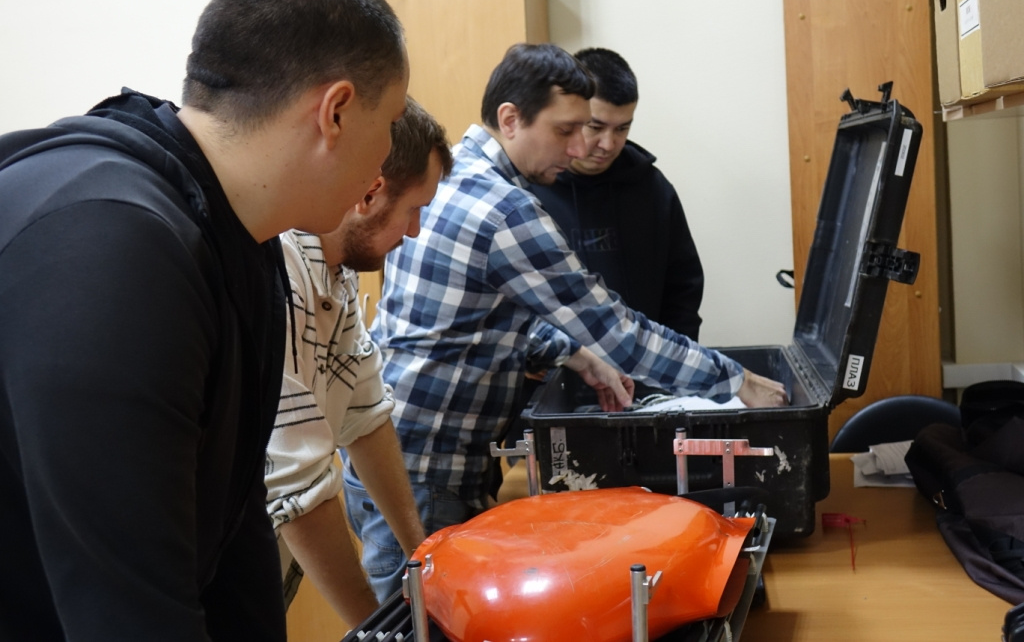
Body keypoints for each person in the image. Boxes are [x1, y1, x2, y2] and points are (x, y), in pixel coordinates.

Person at [0, 0, 408, 640]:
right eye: (391, 120)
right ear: (334, 111)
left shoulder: (238, 237)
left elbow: (228, 521)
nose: (388, 155)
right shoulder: (114, 246)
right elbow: (127, 609)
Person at [346, 42, 787, 603]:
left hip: (392, 460)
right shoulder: (506, 211)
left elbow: (471, 322)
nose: (580, 149)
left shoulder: (452, 175)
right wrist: (735, 382)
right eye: (565, 131)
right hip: (426, 475)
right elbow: (619, 333)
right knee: (425, 628)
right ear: (511, 119)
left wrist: (575, 354)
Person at [265, 97, 452, 625]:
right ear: (371, 194)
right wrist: (372, 630)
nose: (415, 231)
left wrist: (422, 556)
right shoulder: (280, 271)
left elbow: (366, 414)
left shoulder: (336, 269)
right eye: (413, 209)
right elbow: (297, 491)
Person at [527, 47, 705, 341]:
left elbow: (683, 293)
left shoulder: (654, 190)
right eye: (595, 127)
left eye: (622, 128)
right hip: (556, 363)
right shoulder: (528, 190)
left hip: (648, 360)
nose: (608, 144)